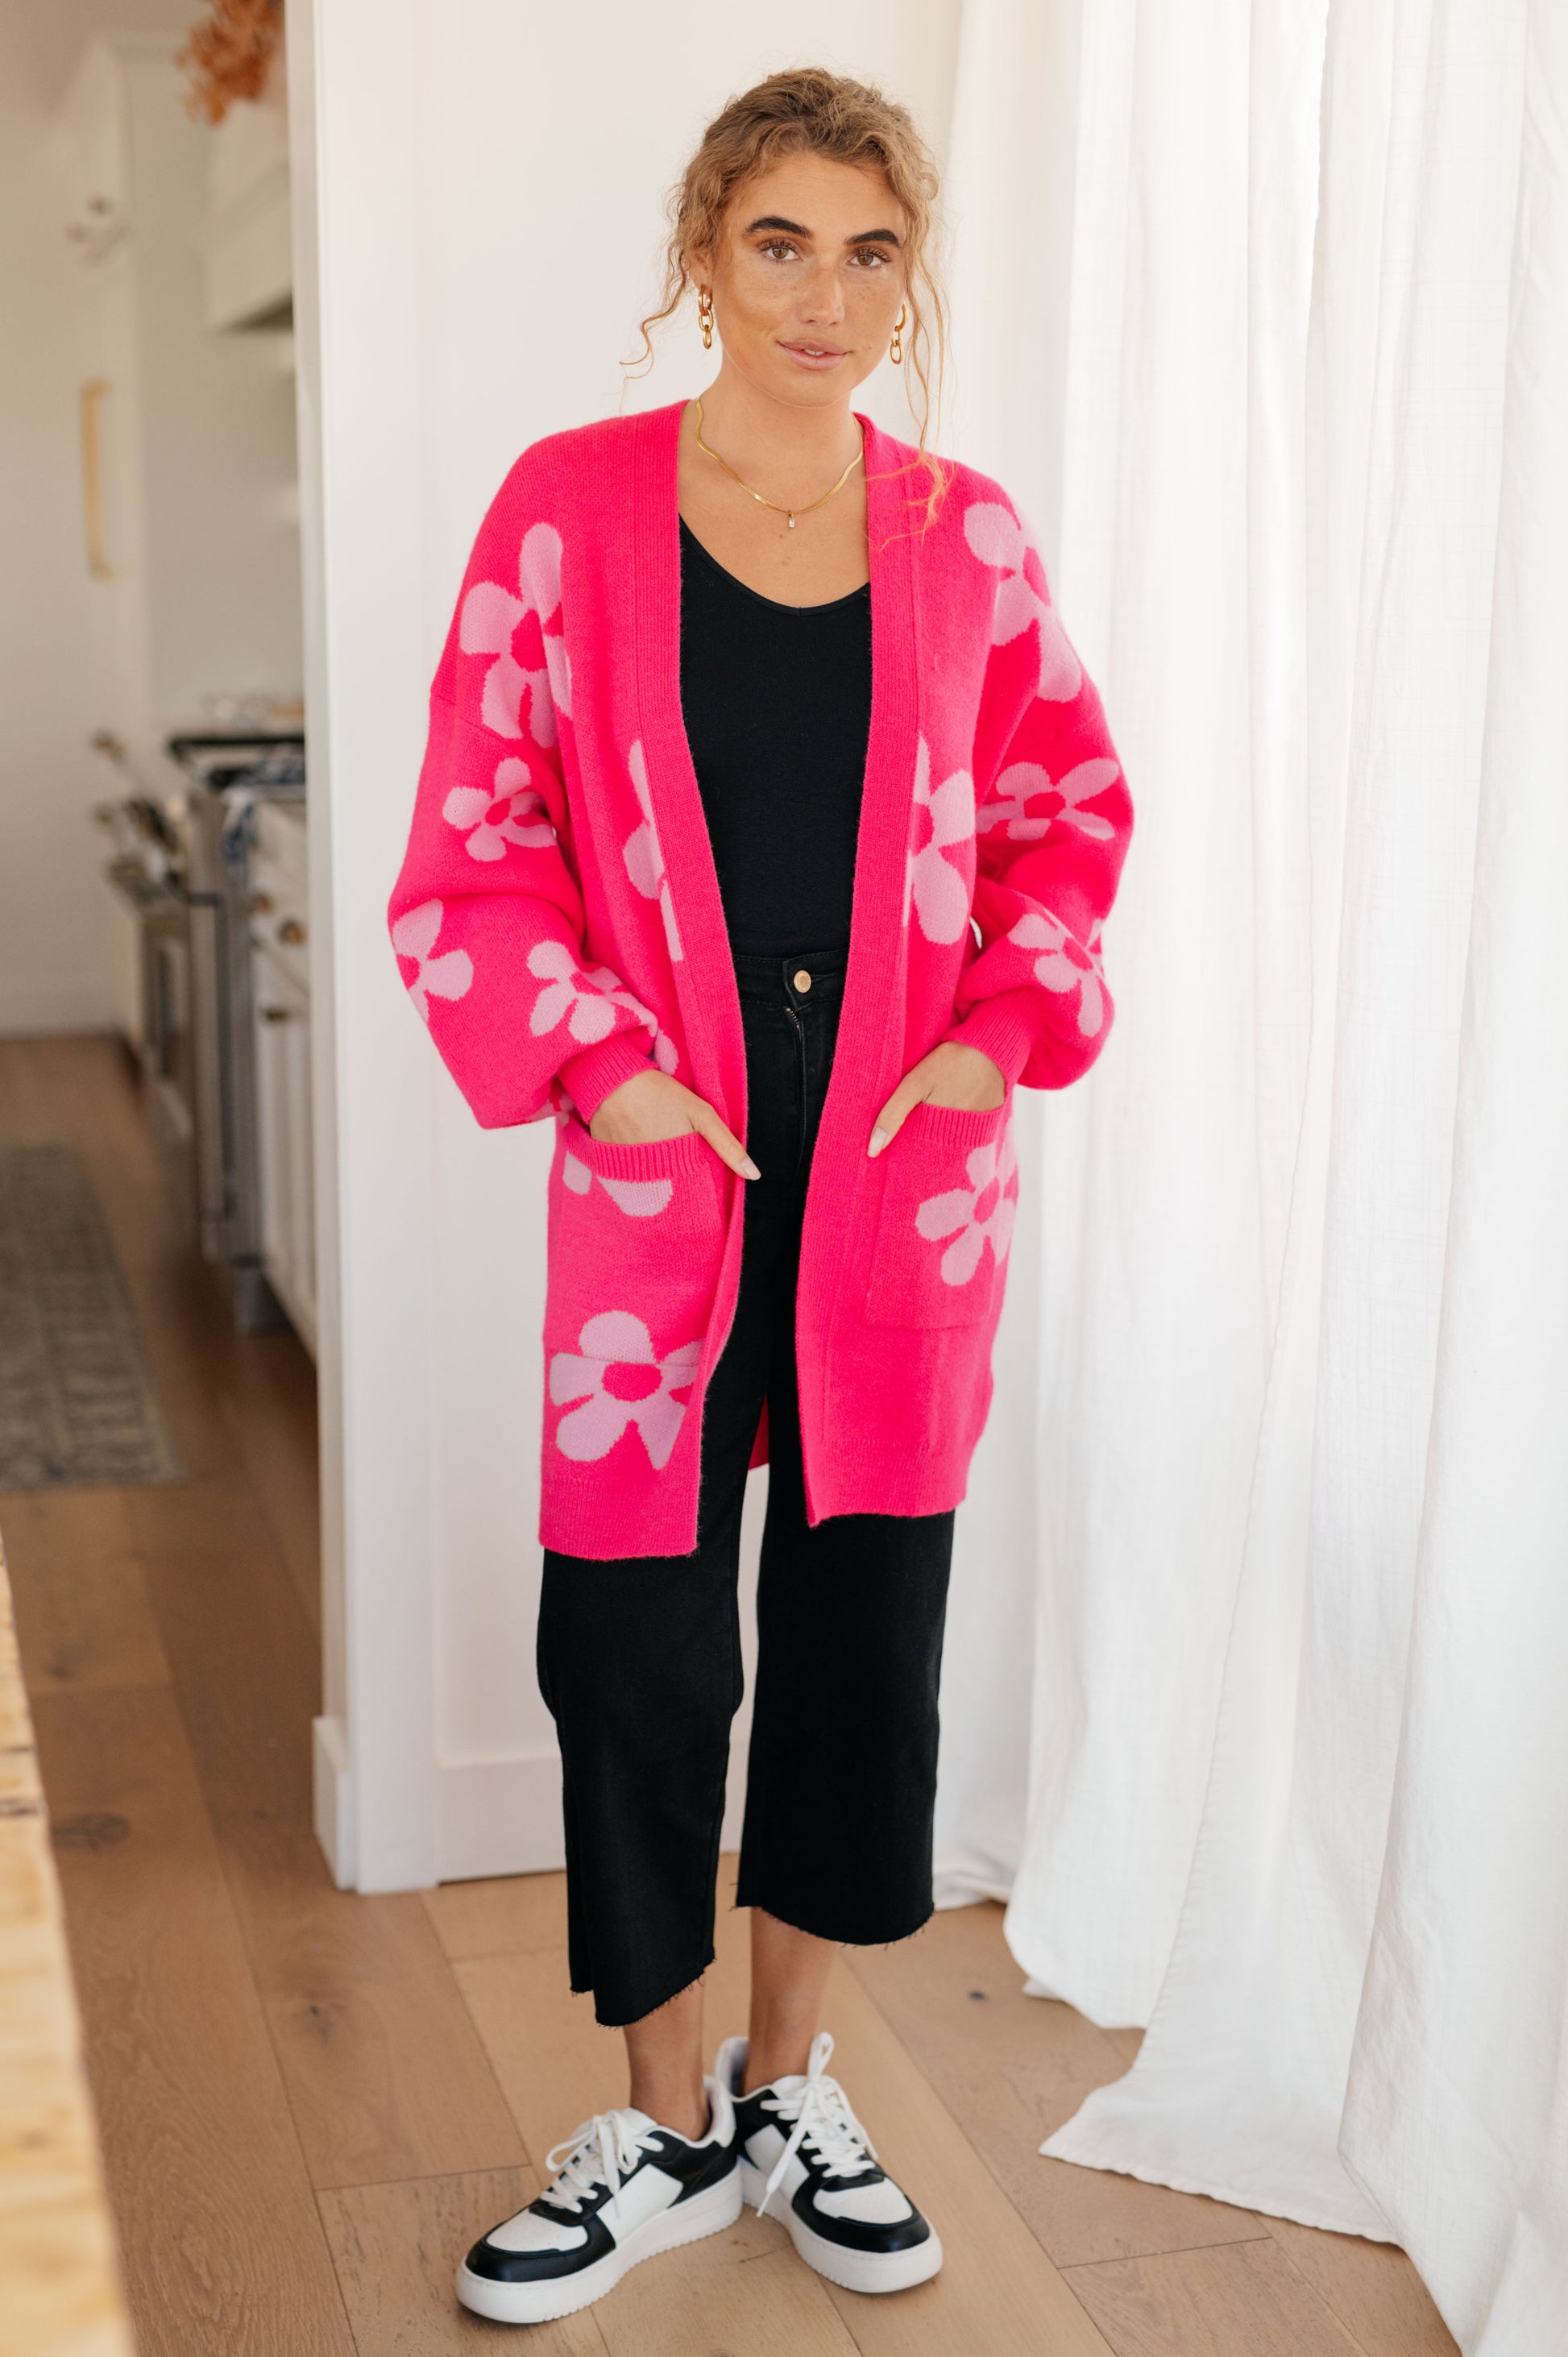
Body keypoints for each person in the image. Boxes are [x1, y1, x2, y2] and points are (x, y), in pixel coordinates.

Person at [388, 64, 1131, 2330]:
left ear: (912, 278)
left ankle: (796, 2089)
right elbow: (476, 842)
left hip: (896, 1194)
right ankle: (662, 2118)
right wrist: (599, 1067)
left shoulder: (968, 539)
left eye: (869, 250)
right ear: (702, 254)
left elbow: (1068, 815)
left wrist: (991, 1037)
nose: (824, 293)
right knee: (631, 1656)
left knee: (855, 1649)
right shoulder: (567, 510)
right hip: (660, 1193)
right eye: (779, 242)